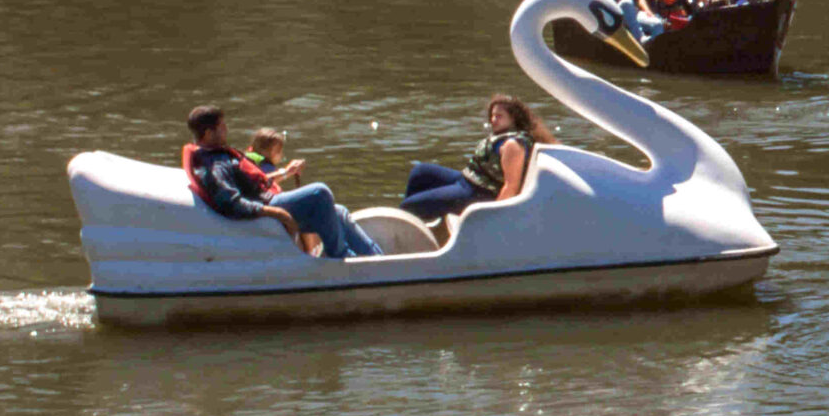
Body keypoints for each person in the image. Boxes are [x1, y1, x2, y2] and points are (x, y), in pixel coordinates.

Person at [183, 105, 379, 259]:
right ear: (209, 133)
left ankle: (378, 260)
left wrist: (285, 173)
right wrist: (274, 212)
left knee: (339, 212)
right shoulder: (214, 164)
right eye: (222, 126)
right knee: (320, 192)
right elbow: (230, 201)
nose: (227, 129)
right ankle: (342, 258)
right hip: (265, 206)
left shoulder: (215, 156)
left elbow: (251, 181)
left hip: (265, 199)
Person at [399, 95, 555, 222]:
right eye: (492, 116)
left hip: (478, 193)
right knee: (420, 172)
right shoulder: (502, 136)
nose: (493, 120)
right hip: (466, 180)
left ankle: (406, 221)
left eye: (499, 116)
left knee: (408, 207)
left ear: (513, 119)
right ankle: (414, 225)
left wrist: (494, 218)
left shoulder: (512, 145)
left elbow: (511, 187)